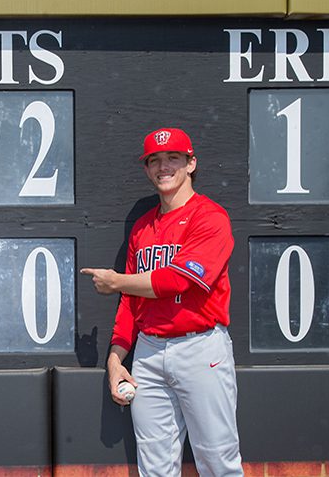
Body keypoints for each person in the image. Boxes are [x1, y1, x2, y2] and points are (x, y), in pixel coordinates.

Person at [80, 127, 243, 477]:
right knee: (154, 470)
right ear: (146, 169)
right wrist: (115, 359)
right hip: (149, 354)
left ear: (191, 163)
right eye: (154, 160)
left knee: (218, 465)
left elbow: (180, 279)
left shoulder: (210, 217)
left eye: (173, 158)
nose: (163, 167)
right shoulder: (142, 228)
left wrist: (116, 280)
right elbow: (131, 301)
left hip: (200, 350)